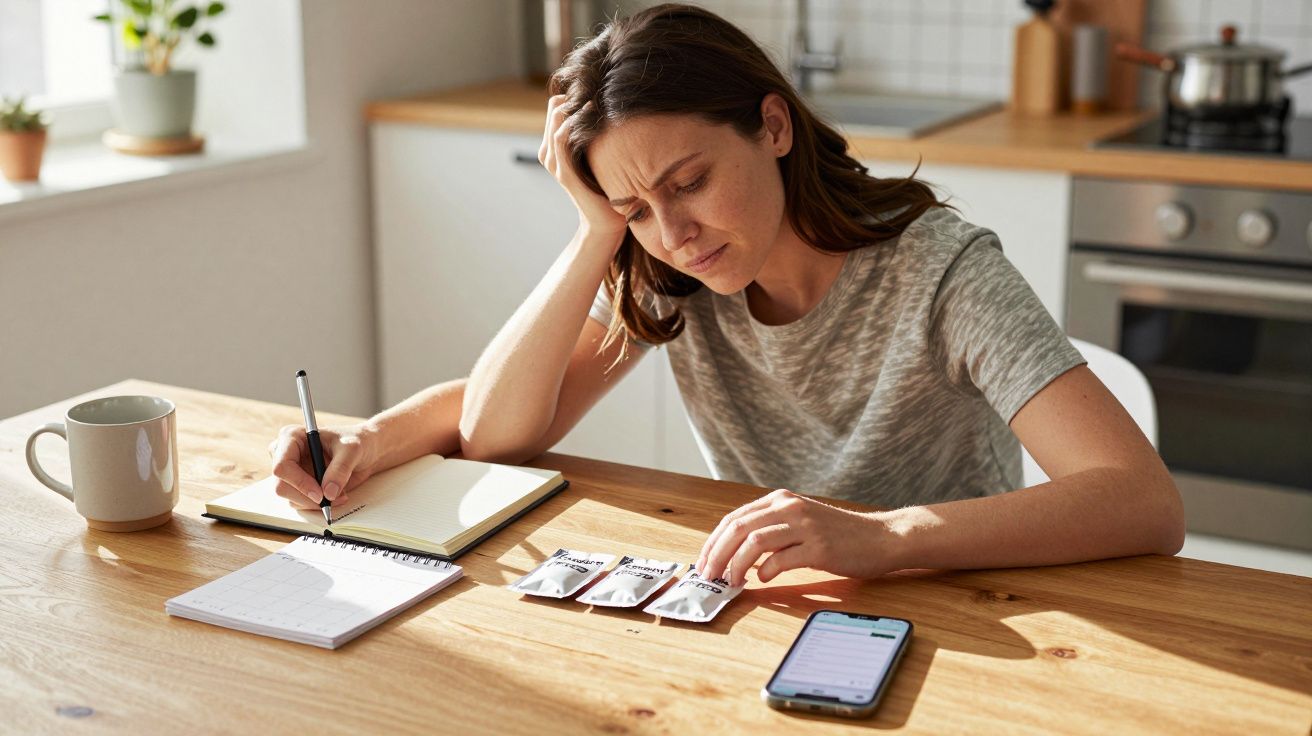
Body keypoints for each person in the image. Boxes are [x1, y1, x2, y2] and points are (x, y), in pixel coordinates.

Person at [268, 4, 1183, 587]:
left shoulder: (940, 267)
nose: (674, 232)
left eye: (690, 181)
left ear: (773, 125)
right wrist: (373, 439)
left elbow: (1142, 503)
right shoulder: (675, 271)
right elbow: (501, 432)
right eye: (635, 205)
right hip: (771, 600)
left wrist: (884, 537)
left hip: (960, 599)